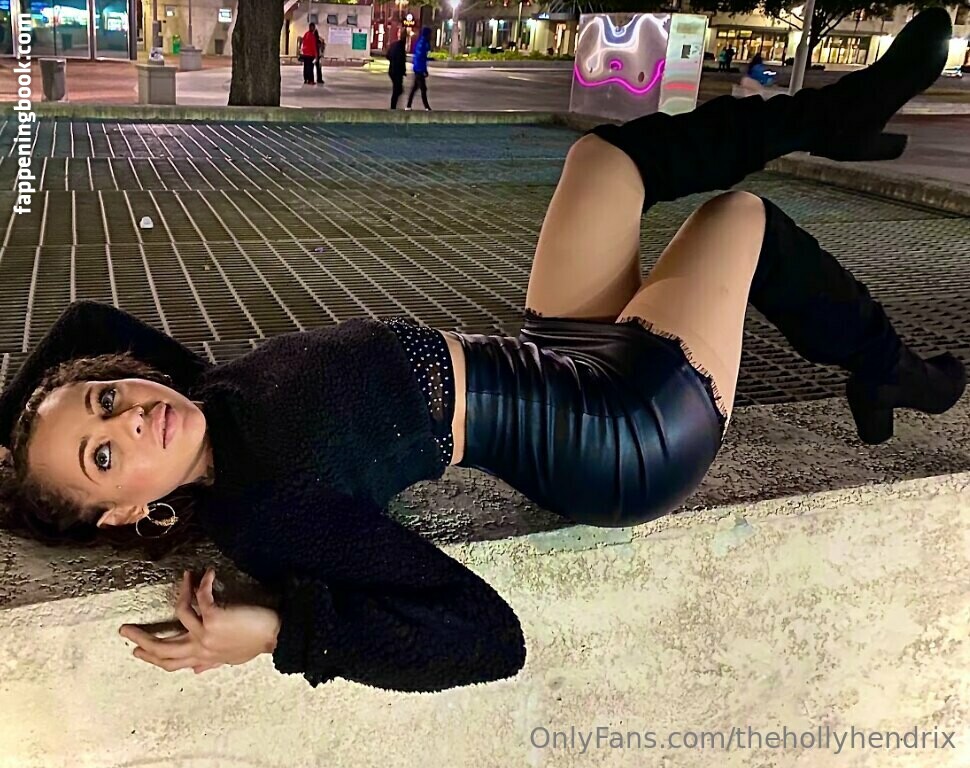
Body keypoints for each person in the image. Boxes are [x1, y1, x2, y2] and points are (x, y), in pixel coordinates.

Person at [0, 10, 961, 694]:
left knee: (604, 161)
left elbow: (84, 323)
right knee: (739, 217)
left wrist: (13, 443)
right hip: (621, 437)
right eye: (103, 456)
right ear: (129, 513)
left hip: (557, 358)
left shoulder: (198, 397)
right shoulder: (265, 508)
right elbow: (485, 638)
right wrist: (281, 633)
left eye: (105, 400)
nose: (130, 418)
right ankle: (889, 370)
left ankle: (834, 121)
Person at [406, 26, 432, 111]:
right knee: (423, 89)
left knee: (415, 88)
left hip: (417, 67)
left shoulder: (420, 42)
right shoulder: (424, 43)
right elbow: (422, 58)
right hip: (419, 69)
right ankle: (427, 107)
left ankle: (408, 106)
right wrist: (424, 70)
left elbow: (420, 56)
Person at [387, 27, 408, 109]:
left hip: (392, 70)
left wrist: (392, 61)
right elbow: (402, 60)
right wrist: (403, 70)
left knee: (398, 89)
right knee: (397, 90)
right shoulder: (401, 47)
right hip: (397, 72)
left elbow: (388, 55)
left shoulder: (394, 45)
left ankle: (395, 106)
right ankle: (393, 107)